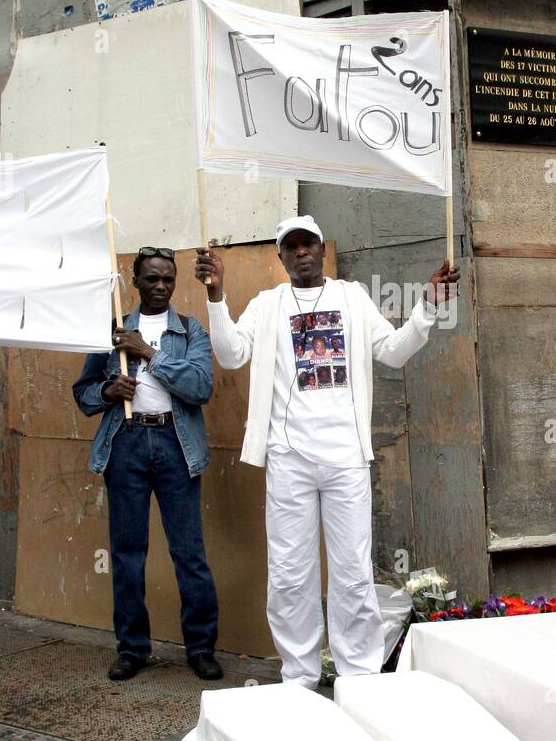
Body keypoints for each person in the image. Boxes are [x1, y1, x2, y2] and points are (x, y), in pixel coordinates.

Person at [195, 216, 459, 689]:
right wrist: (216, 296)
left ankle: (358, 675)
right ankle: (298, 675)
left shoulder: (352, 298)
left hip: (345, 460)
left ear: (320, 249)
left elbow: (393, 350)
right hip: (289, 460)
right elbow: (232, 354)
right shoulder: (268, 304)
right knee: (290, 574)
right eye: (290, 246)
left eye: (308, 243)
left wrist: (427, 307)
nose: (300, 252)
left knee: (353, 572)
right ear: (281, 257)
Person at [72, 248, 222, 682]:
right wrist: (106, 391)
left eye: (168, 280)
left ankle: (200, 648)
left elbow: (200, 388)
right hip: (127, 444)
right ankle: (133, 649)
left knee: (189, 553)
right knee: (127, 554)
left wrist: (148, 354)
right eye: (152, 279)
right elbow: (82, 394)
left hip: (177, 444)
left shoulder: (190, 331)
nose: (161, 287)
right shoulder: (113, 330)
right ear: (135, 282)